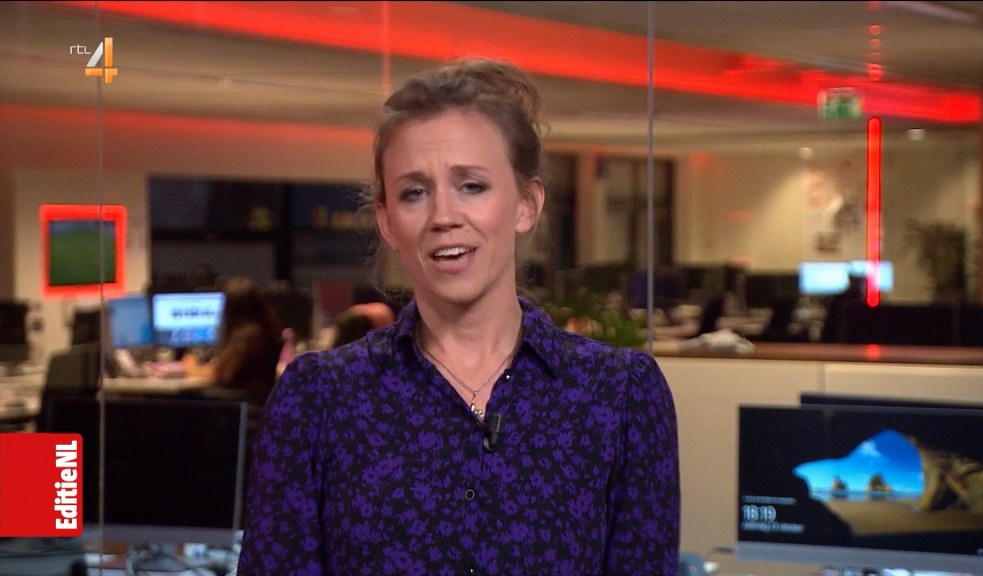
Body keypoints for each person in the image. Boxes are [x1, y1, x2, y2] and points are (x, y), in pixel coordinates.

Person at [238, 58, 681, 575]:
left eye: (471, 185)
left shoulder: (620, 394)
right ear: (387, 220)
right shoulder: (318, 399)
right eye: (414, 193)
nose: (444, 217)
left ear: (526, 204)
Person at [181, 276, 283, 407]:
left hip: (237, 401)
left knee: (187, 399)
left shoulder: (246, 337)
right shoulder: (267, 329)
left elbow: (222, 375)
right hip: (255, 401)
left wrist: (192, 367)